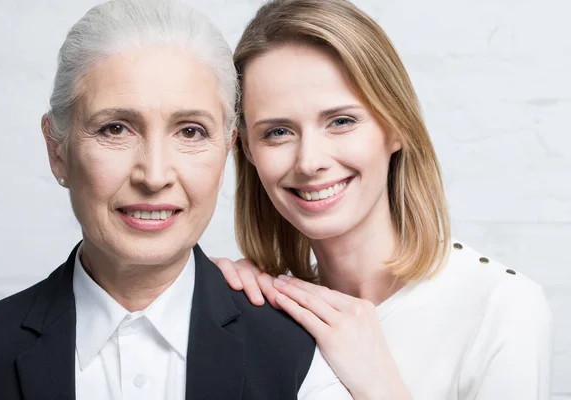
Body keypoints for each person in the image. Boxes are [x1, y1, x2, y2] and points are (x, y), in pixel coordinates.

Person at [0, 1, 353, 399]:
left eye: (190, 132)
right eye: (115, 129)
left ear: (227, 151)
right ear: (57, 151)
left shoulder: (304, 359)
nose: (153, 176)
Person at [213, 0, 554, 399]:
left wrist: (379, 385)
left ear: (396, 126)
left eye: (340, 121)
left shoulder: (502, 307)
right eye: (277, 132)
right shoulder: (266, 308)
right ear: (248, 151)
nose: (309, 162)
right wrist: (221, 302)